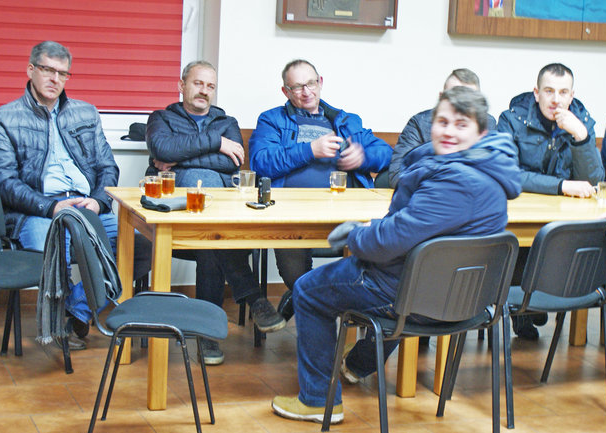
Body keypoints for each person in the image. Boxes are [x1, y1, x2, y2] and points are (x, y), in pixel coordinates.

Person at [270, 86, 521, 423]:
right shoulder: (492, 171)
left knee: (307, 290)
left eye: (461, 124)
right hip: (466, 299)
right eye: (442, 122)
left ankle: (317, 399)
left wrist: (357, 234)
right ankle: (358, 365)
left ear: (481, 133)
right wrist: (376, 229)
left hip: (415, 297)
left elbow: (391, 241)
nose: (449, 131)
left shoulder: (454, 180)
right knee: (396, 279)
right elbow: (415, 228)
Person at [0, 41, 150, 350]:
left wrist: (98, 201)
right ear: (31, 70)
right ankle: (66, 319)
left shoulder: (85, 113)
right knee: (53, 249)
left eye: (63, 73)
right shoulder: (4, 118)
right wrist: (52, 207)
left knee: (141, 248)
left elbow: (107, 166)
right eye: (48, 70)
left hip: (87, 206)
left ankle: (75, 311)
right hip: (39, 211)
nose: (55, 79)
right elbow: (3, 182)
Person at [145, 60, 286, 364]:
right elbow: (162, 149)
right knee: (210, 224)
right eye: (198, 83)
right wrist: (216, 143)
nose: (204, 91)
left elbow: (230, 162)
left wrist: (182, 157)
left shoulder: (226, 121)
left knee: (209, 235)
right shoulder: (161, 118)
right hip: (175, 215)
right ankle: (252, 297)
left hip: (218, 214)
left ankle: (206, 333)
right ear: (181, 85)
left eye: (210, 86)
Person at [249, 59, 393, 320]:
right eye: (297, 87)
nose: (306, 92)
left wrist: (363, 157)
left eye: (311, 83)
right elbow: (261, 161)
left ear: (320, 82)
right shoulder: (272, 120)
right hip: (291, 213)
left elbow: (385, 153)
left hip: (346, 212)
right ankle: (307, 293)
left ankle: (306, 297)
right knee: (294, 271)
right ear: (285, 91)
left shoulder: (345, 121)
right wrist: (309, 150)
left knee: (379, 256)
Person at [497, 63, 604, 339]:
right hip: (521, 211)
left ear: (572, 95)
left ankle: (541, 300)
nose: (556, 99)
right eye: (549, 91)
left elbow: (594, 181)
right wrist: (561, 186)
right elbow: (508, 173)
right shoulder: (511, 120)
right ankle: (525, 307)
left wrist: (581, 137)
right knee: (519, 243)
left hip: (565, 216)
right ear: (536, 93)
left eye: (563, 92)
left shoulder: (582, 121)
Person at [388, 68, 497, 188]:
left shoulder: (487, 123)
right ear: (441, 98)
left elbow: (494, 175)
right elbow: (398, 175)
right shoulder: (419, 122)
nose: (460, 106)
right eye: (453, 96)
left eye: (469, 100)